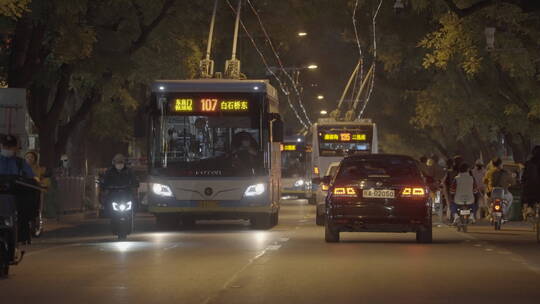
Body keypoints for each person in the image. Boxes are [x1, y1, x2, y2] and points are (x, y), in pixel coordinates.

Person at [0, 135, 38, 245]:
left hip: (15, 202)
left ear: (16, 148)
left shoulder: (20, 163)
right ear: (1, 146)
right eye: (6, 147)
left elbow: (31, 179)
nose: (8, 150)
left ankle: (20, 237)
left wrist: (34, 180)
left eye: (11, 147)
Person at [521, 146, 540, 220]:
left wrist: (523, 182)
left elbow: (524, 176)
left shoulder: (528, 163)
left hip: (528, 189)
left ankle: (527, 210)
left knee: (526, 199)